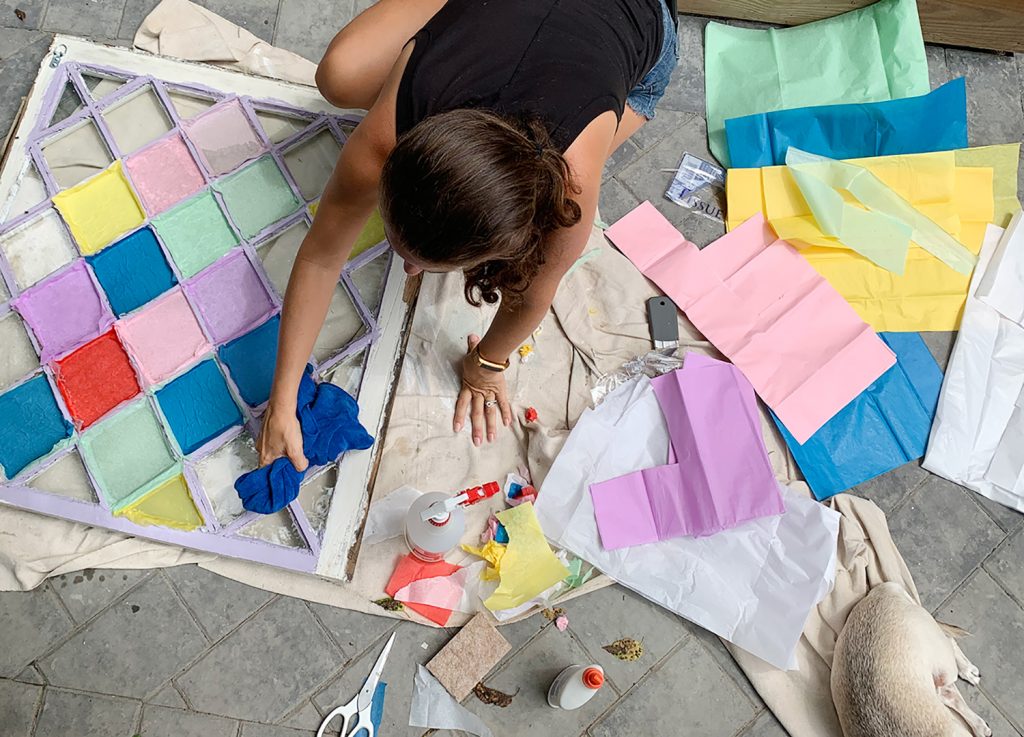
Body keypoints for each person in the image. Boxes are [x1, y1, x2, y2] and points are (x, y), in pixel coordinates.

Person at [257, 0, 679, 469]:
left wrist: (486, 368)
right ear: (398, 157)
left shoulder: (568, 191)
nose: (406, 265)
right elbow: (320, 258)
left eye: (422, 263)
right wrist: (283, 395)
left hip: (637, 17)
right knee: (338, 76)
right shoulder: (385, 135)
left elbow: (533, 296)